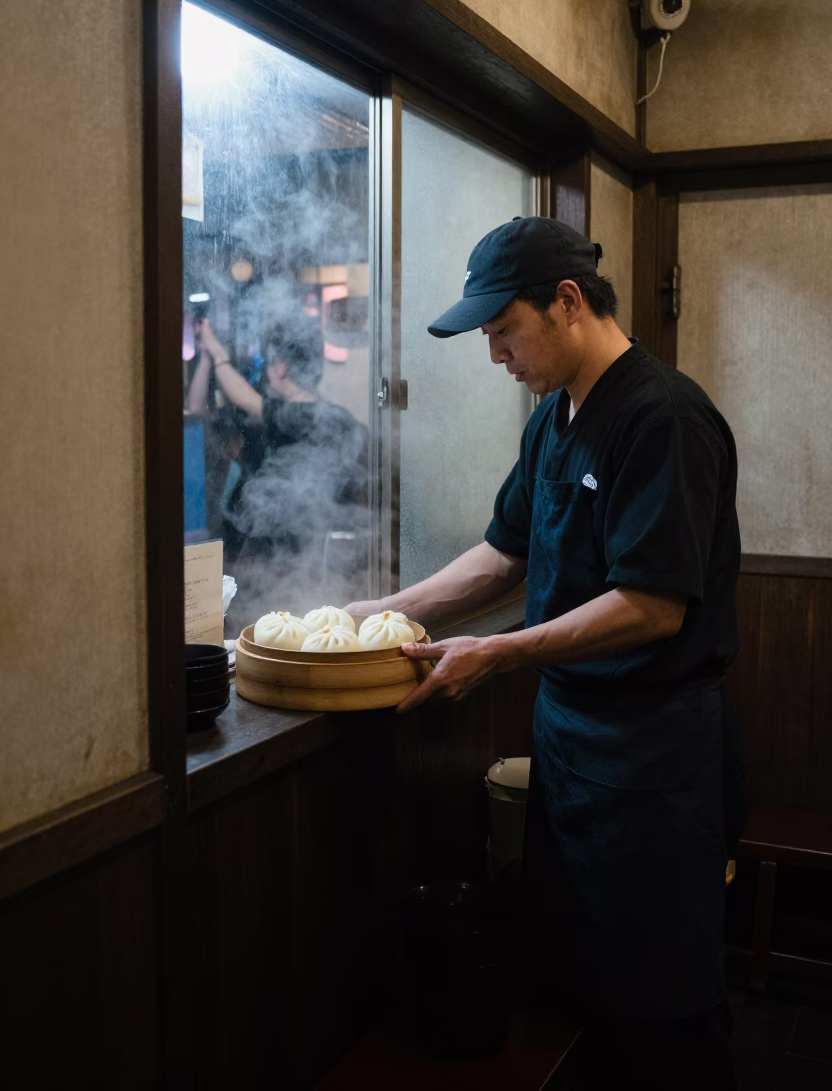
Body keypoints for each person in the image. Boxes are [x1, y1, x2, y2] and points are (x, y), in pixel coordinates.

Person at [347, 216, 746, 1090]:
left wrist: (496, 652)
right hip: (569, 738)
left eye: (503, 331)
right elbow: (505, 554)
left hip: (655, 750)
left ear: (567, 301)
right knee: (579, 985)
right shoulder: (551, 421)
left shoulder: (664, 417)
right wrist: (378, 614)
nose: (495, 356)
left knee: (665, 1000)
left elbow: (651, 606)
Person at [195, 312, 368, 623]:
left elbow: (247, 399)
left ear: (281, 368)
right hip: (258, 559)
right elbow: (200, 409)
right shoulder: (290, 421)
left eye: (270, 362)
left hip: (284, 563)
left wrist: (218, 354)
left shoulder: (319, 416)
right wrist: (208, 357)